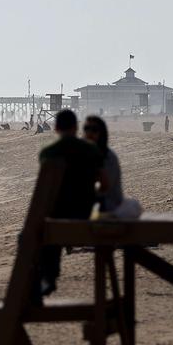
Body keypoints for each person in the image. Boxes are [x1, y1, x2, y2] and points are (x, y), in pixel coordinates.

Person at [31, 109, 107, 303]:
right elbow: (104, 184)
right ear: (76, 127)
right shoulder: (91, 150)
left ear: (56, 128)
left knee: (45, 231)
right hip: (84, 215)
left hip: (55, 218)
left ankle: (49, 276)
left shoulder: (48, 153)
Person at [83, 116, 123, 214]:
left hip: (108, 204)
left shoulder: (109, 157)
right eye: (87, 129)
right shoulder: (82, 154)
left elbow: (105, 187)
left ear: (102, 132)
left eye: (94, 129)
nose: (90, 133)